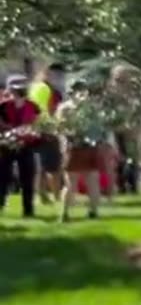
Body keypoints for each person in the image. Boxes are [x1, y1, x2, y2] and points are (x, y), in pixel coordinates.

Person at [56, 79, 112, 222]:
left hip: (74, 146)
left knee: (71, 183)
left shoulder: (65, 108)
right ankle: (93, 212)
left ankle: (65, 213)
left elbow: (60, 128)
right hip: (89, 146)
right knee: (92, 181)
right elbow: (99, 129)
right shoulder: (92, 108)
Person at [0, 75, 42, 218]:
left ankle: (28, 210)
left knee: (27, 177)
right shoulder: (3, 106)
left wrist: (29, 131)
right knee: (3, 176)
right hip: (6, 145)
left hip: (26, 145)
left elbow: (37, 123)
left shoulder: (33, 106)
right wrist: (10, 130)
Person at [28, 62, 66, 204]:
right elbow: (53, 110)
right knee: (53, 166)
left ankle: (41, 194)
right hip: (48, 129)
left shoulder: (34, 87)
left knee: (41, 166)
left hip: (34, 128)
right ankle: (57, 196)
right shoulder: (51, 90)